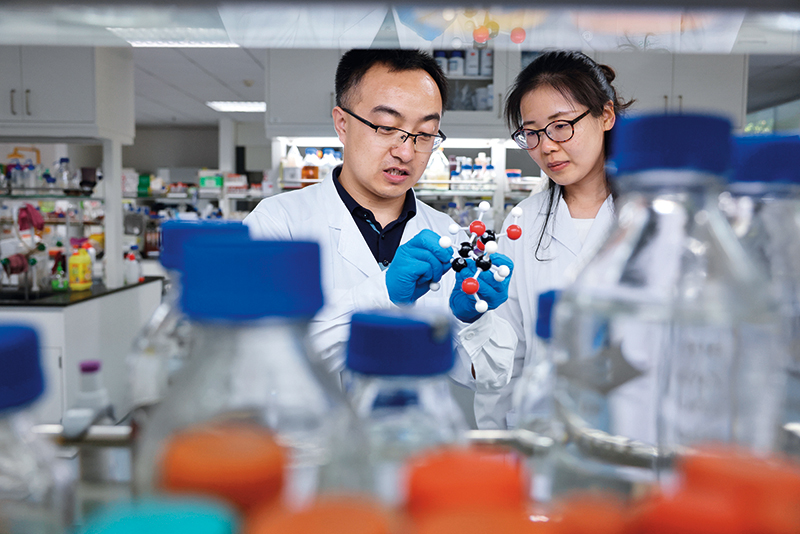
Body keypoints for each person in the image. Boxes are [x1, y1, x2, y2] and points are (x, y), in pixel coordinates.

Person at [243, 49, 518, 423]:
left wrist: (473, 321)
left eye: (425, 134)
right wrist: (382, 294)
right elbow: (261, 360)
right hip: (312, 447)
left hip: (414, 445)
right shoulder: (278, 225)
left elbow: (488, 377)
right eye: (387, 127)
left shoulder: (446, 236)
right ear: (342, 123)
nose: (406, 151)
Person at [482, 50, 633, 429]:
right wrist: (498, 437)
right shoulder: (522, 224)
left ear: (606, 116)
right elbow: (507, 352)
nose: (546, 146)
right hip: (540, 431)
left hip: (633, 434)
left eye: (561, 125)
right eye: (531, 133)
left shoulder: (647, 220)